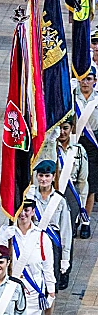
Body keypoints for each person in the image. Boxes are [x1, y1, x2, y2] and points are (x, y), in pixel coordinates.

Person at [25, 159, 72, 315]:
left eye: (47, 176)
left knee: (49, 286)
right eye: (40, 176)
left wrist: (65, 259)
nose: (43, 179)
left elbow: (66, 230)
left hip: (52, 245)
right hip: (31, 243)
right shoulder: (29, 195)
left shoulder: (59, 200)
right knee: (33, 283)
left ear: (53, 177)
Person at [51, 118, 88, 286]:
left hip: (70, 193)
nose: (62, 132)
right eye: (59, 128)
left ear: (72, 128)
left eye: (65, 128)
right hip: (53, 192)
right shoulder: (49, 147)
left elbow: (82, 181)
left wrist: (81, 205)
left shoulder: (78, 151)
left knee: (68, 234)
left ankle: (65, 270)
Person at [75, 67, 98, 239]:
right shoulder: (72, 98)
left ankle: (85, 220)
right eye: (82, 79)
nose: (85, 82)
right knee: (73, 181)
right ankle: (74, 217)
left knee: (90, 184)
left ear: (95, 81)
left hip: (93, 144)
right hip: (75, 141)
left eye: (89, 79)